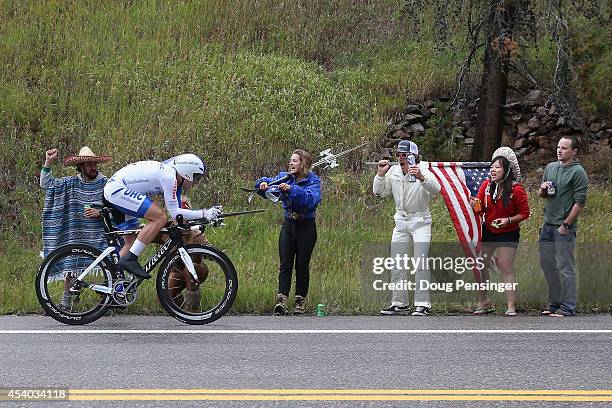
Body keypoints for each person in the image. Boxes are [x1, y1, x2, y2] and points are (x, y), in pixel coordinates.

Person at [103, 154, 221, 279]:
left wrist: (199, 222)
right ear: (187, 173)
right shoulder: (169, 177)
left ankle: (112, 281)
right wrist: (205, 213)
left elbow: (178, 217)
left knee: (131, 242)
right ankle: (130, 258)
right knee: (160, 217)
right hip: (117, 190)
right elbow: (174, 213)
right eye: (196, 177)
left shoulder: (175, 179)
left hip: (115, 190)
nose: (196, 182)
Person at [373, 140, 441, 316]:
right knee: (396, 261)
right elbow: (380, 192)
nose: (400, 158)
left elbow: (436, 189)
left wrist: (421, 177)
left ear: (414, 156)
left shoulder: (423, 169)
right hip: (401, 221)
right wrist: (380, 175)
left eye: (405, 155)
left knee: (420, 261)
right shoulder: (394, 171)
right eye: (398, 155)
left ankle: (422, 304)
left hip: (420, 220)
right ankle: (400, 303)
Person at [40, 146, 112, 310]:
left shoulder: (106, 184)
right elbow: (46, 184)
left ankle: (106, 302)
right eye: (89, 164)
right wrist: (48, 161)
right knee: (70, 265)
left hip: (99, 234)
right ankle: (66, 302)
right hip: (75, 233)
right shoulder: (70, 183)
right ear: (80, 166)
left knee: (108, 265)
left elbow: (118, 206)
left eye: (94, 163)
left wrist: (100, 212)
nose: (93, 167)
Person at [256, 149, 321, 315]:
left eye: (295, 161)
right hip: (288, 225)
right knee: (285, 264)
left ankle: (300, 302)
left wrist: (292, 190)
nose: (291, 163)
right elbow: (268, 182)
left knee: (302, 265)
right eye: (290, 160)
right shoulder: (285, 177)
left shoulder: (314, 181)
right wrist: (262, 184)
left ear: (303, 164)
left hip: (306, 226)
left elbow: (310, 200)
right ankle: (282, 300)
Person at [471, 147, 529, 317]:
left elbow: (525, 213)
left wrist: (508, 220)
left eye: (498, 167)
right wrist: (475, 204)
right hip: (489, 230)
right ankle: (484, 301)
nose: (493, 170)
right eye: (492, 167)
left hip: (508, 231)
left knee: (505, 265)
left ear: (506, 170)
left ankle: (511, 306)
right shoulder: (486, 187)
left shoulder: (516, 189)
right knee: (481, 264)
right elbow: (480, 207)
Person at [538, 136, 588, 317]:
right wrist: (542, 189)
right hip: (547, 225)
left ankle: (568, 307)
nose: (560, 150)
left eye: (565, 148)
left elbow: (579, 202)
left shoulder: (578, 172)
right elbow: (543, 194)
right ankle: (554, 303)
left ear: (573, 152)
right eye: (558, 147)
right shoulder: (551, 167)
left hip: (563, 228)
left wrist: (566, 224)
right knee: (547, 264)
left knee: (566, 267)